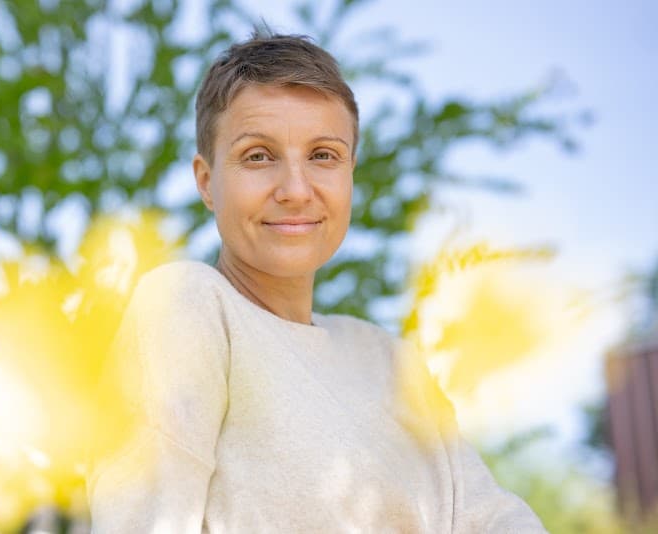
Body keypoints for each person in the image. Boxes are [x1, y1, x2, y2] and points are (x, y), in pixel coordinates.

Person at [88, 31, 546, 533]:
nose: (295, 190)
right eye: (258, 156)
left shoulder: (394, 363)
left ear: (351, 173)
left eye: (323, 155)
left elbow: (496, 520)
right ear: (206, 182)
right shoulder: (186, 306)